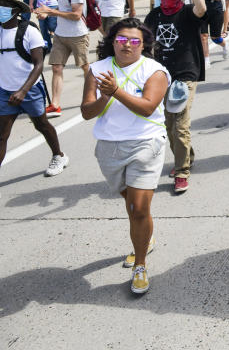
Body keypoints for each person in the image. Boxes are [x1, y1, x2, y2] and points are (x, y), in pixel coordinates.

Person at [80, 18, 171, 294]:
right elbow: (86, 112)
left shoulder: (155, 71)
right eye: (121, 40)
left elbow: (147, 108)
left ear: (143, 45)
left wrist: (116, 91)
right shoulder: (97, 69)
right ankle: (146, 235)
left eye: (134, 41)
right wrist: (104, 98)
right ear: (112, 42)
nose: (127, 46)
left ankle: (140, 265)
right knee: (132, 205)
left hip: (146, 143)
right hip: (109, 147)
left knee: (138, 208)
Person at [143, 0, 206, 193]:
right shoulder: (154, 15)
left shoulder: (187, 12)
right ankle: (186, 156)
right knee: (169, 125)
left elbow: (201, 8)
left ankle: (181, 171)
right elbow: (145, 43)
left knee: (179, 124)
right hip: (162, 76)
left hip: (185, 75)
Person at [0, 0, 67, 177]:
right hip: (5, 91)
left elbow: (38, 65)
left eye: (3, 5)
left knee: (41, 125)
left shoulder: (29, 31)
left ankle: (58, 155)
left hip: (30, 90)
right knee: (2, 134)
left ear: (15, 10)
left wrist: (23, 90)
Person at [36, 0, 90, 118]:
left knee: (85, 67)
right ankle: (55, 105)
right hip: (61, 34)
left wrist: (51, 11)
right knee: (56, 68)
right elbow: (63, 11)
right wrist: (48, 14)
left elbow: (76, 15)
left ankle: (92, 96)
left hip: (78, 34)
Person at [197, 0, 227, 65]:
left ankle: (224, 45)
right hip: (203, 12)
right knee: (203, 36)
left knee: (215, 37)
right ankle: (206, 60)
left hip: (215, 11)